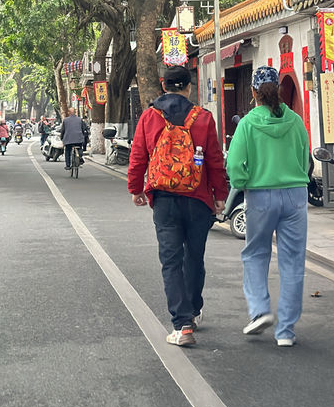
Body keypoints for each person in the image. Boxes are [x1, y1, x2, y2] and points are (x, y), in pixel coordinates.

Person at [128, 66, 227, 347]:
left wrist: (136, 188)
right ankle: (193, 311)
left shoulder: (149, 116)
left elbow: (138, 156)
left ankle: (182, 325)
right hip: (198, 198)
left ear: (163, 85)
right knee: (194, 257)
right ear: (188, 87)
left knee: (171, 261)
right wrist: (220, 195)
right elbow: (215, 161)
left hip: (164, 199)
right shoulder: (203, 118)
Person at [226, 65, 310, 347]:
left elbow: (235, 165)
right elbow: (305, 160)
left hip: (260, 194)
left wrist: (244, 182)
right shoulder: (296, 121)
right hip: (295, 195)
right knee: (293, 260)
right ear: (279, 90)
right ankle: (286, 331)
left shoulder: (248, 123)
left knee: (255, 254)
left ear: (253, 93)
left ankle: (260, 311)